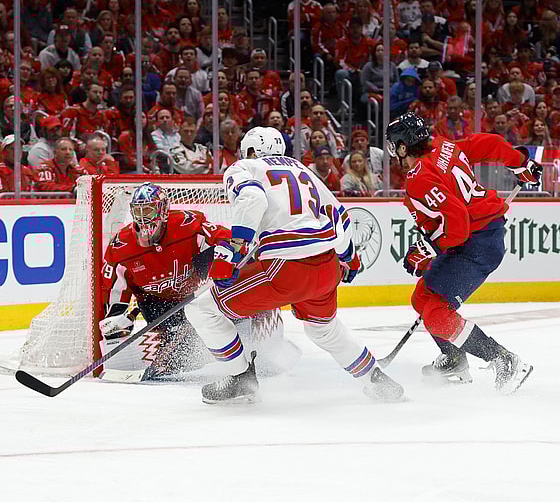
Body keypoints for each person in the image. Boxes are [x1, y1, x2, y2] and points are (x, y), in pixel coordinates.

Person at [183, 127, 404, 404]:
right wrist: (349, 257)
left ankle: (241, 379)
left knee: (202, 309)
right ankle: (376, 378)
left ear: (249, 150)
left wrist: (233, 254)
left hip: (287, 268)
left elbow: (252, 199)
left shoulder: (244, 167)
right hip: (327, 266)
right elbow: (339, 213)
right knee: (325, 329)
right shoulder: (302, 168)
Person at [385, 112, 540, 394]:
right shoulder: (443, 145)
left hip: (477, 242)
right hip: (474, 237)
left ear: (403, 146)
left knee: (436, 316)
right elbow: (486, 143)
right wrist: (518, 162)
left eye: (394, 145)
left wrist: (428, 248)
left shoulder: (419, 177)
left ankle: (505, 360)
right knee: (422, 298)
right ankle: (455, 359)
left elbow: (457, 224)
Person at [99, 182, 293, 381]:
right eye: (138, 211)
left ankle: (264, 343)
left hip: (192, 297)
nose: (143, 218)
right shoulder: (120, 246)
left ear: (163, 209)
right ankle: (177, 347)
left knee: (240, 289)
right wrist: (116, 318)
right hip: (158, 307)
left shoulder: (187, 224)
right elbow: (114, 294)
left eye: (148, 210)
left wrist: (227, 261)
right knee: (179, 356)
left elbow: (225, 239)